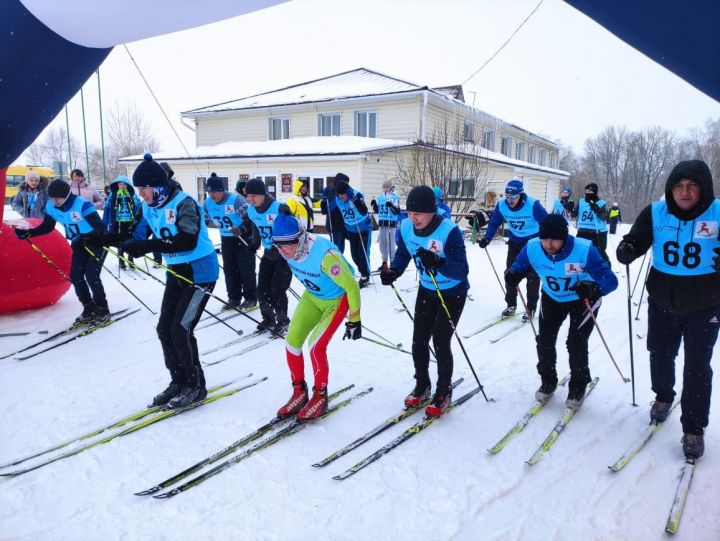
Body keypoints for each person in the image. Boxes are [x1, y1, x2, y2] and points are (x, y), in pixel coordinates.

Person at [616, 160, 719, 459]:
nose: (685, 192)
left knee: (697, 365)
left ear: (703, 189)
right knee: (659, 353)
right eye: (679, 186)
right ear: (670, 189)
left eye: (692, 186)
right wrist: (629, 249)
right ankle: (663, 396)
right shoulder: (655, 211)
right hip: (663, 297)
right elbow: (637, 238)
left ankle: (694, 428)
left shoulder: (718, 212)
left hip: (706, 301)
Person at [121, 154, 219, 409]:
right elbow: (137, 234)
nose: (141, 195)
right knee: (164, 328)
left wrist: (148, 245)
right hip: (176, 271)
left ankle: (196, 386)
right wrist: (102, 239)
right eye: (139, 190)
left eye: (144, 190)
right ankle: (179, 381)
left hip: (200, 272)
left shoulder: (185, 203)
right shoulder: (148, 207)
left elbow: (187, 240)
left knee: (181, 329)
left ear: (157, 186)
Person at [506, 214, 618, 410]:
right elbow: (519, 266)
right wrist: (513, 274)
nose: (548, 244)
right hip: (552, 297)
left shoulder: (584, 249)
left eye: (554, 239)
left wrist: (593, 289)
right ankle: (548, 380)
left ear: (564, 237)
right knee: (545, 340)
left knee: (576, 342)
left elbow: (610, 281)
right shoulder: (533, 247)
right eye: (545, 239)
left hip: (583, 300)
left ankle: (578, 386)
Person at [380, 185, 469, 417]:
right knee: (418, 340)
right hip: (428, 290)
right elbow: (404, 252)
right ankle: (422, 385)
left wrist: (439, 262)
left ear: (432, 211)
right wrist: (395, 271)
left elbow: (462, 270)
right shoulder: (406, 226)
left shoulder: (449, 231)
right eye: (409, 213)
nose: (412, 218)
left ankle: (443, 390)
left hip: (452, 292)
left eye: (417, 213)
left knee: (440, 341)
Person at [271, 211, 362, 420]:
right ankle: (299, 392)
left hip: (336, 300)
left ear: (300, 239)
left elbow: (352, 286)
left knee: (315, 347)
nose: (282, 251)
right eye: (278, 245)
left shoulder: (325, 256)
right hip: (312, 297)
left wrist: (355, 319)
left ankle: (320, 395)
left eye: (286, 245)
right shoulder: (287, 249)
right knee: (291, 342)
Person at [13, 179, 110, 324]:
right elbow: (47, 227)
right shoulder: (51, 206)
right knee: (75, 276)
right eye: (52, 198)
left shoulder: (82, 204)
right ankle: (89, 308)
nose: (55, 201)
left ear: (67, 195)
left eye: (58, 198)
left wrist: (91, 237)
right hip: (78, 244)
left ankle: (103, 309)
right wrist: (29, 233)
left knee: (91, 276)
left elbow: (100, 228)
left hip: (95, 244)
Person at [477, 178, 548, 320]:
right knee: (510, 274)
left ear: (521, 194)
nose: (510, 200)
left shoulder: (533, 205)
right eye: (508, 196)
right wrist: (487, 238)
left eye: (514, 196)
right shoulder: (502, 205)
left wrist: (547, 241)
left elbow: (547, 222)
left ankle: (531, 307)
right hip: (515, 244)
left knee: (532, 277)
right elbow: (494, 222)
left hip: (533, 246)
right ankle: (511, 304)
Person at [239, 178, 292, 334]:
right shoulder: (251, 210)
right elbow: (255, 225)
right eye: (248, 195)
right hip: (268, 255)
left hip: (284, 256)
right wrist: (255, 244)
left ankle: (282, 321)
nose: (250, 199)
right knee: (262, 288)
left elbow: (294, 230)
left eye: (254, 195)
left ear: (263, 194)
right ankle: (268, 318)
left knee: (277, 289)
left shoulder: (279, 208)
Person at [203, 173, 258, 310]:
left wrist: (240, 229)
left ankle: (251, 298)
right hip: (226, 239)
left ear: (222, 190)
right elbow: (203, 221)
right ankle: (234, 298)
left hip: (242, 238)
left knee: (246, 270)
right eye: (209, 192)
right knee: (230, 270)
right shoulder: (208, 203)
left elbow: (251, 219)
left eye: (214, 191)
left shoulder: (236, 200)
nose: (211, 195)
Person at [334, 176, 372, 288]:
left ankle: (365, 275)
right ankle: (362, 269)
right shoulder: (338, 198)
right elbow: (331, 209)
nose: (342, 197)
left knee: (362, 253)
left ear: (347, 191)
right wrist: (326, 198)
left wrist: (354, 200)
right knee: (354, 255)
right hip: (350, 229)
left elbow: (364, 211)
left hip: (363, 228)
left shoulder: (357, 195)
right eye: (339, 195)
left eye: (343, 195)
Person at [102, 176, 141, 269]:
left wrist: (133, 203)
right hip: (117, 221)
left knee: (130, 239)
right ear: (117, 185)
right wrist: (104, 223)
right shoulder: (113, 195)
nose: (122, 186)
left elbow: (139, 206)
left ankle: (130, 258)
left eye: (124, 184)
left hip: (130, 221)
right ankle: (121, 260)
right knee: (119, 241)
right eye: (120, 184)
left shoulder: (132, 195)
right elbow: (107, 208)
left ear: (128, 186)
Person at [572, 182, 610, 261]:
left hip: (597, 232)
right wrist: (569, 207)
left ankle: (605, 268)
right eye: (586, 191)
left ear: (595, 192)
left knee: (598, 254)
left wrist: (598, 210)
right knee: (580, 252)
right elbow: (573, 214)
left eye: (590, 191)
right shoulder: (581, 201)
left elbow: (606, 218)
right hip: (583, 231)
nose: (588, 193)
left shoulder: (601, 203)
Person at [371, 179, 400, 271]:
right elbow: (378, 210)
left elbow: (397, 211)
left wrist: (391, 205)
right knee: (382, 243)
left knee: (390, 243)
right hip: (382, 222)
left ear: (391, 188)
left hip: (391, 223)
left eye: (387, 187)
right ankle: (384, 262)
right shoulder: (380, 197)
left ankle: (393, 262)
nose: (385, 189)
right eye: (384, 187)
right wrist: (375, 205)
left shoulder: (395, 197)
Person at [321, 174, 347, 252]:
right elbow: (326, 210)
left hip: (342, 225)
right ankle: (335, 263)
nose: (346, 185)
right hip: (334, 225)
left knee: (341, 249)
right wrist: (325, 200)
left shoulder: (342, 191)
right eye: (345, 183)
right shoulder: (333, 191)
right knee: (336, 249)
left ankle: (340, 263)